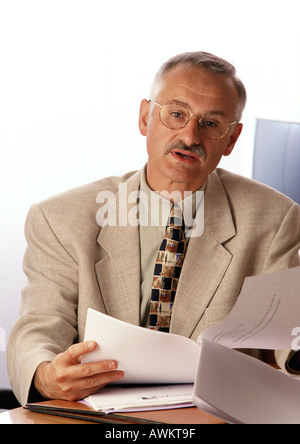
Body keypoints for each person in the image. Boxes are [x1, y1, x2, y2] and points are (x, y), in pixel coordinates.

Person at [7, 51, 300, 406]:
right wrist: (45, 375)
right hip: (99, 413)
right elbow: (39, 323)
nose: (190, 135)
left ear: (231, 140)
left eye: (211, 123)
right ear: (146, 117)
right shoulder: (61, 217)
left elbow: (288, 331)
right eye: (176, 114)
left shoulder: (274, 218)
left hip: (208, 415)